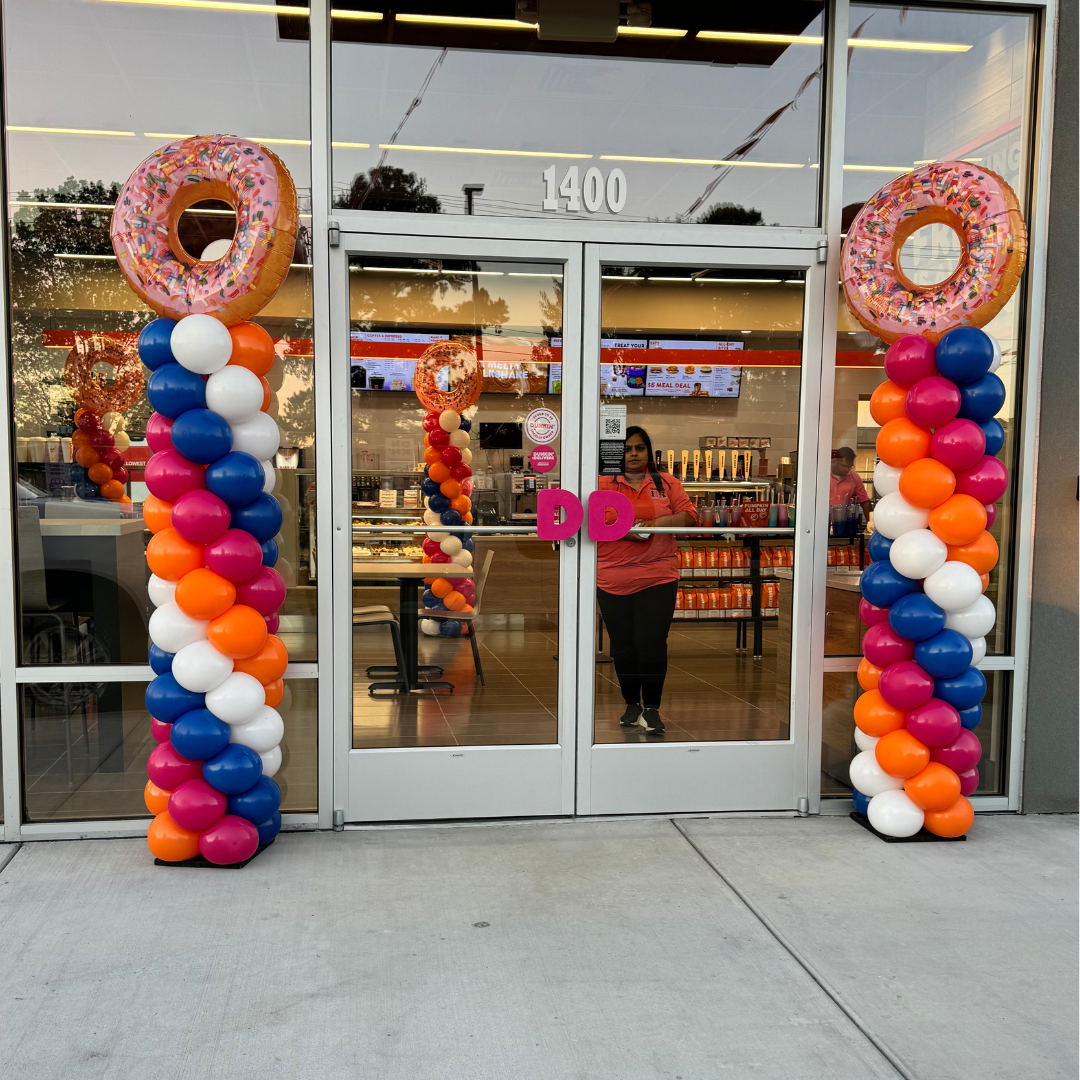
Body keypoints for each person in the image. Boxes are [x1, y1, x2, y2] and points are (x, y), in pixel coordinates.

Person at [596, 426, 697, 736]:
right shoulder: (600, 484)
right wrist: (625, 527)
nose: (634, 454)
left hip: (657, 576)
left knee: (651, 645)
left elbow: (690, 517)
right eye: (627, 449)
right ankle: (631, 705)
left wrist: (655, 523)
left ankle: (651, 709)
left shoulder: (667, 483)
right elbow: (588, 521)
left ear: (648, 452)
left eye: (639, 448)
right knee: (624, 647)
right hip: (611, 579)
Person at [830, 447, 872, 519]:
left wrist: (871, 524)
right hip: (821, 520)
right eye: (843, 466)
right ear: (834, 461)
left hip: (844, 522)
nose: (847, 469)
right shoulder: (821, 476)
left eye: (850, 466)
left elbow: (865, 502)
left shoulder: (854, 477)